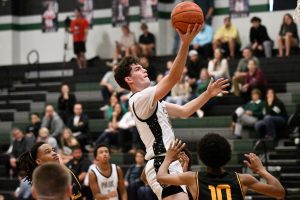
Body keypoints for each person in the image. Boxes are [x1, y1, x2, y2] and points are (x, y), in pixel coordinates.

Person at [114, 24, 229, 200]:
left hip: (170, 162)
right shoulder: (139, 99)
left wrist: (208, 94)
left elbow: (184, 111)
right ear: (128, 79)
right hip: (161, 161)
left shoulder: (152, 101)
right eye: (137, 69)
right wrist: (185, 44)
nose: (144, 69)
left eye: (142, 67)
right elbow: (174, 77)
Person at [157, 135, 285, 200]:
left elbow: (161, 177)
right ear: (227, 155)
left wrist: (168, 157)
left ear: (202, 157)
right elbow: (279, 192)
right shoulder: (243, 179)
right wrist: (261, 170)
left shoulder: (192, 178)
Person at [17, 142, 83, 199]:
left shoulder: (70, 172)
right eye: (48, 152)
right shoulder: (38, 181)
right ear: (38, 161)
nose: (54, 153)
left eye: (53, 150)